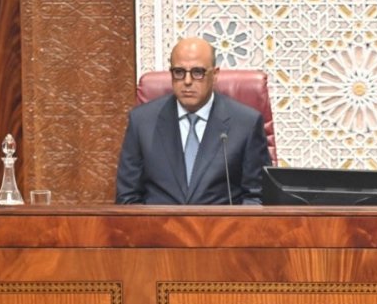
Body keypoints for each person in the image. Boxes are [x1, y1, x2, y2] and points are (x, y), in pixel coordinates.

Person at [115, 37, 271, 205]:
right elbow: (128, 198)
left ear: (215, 74)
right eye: (179, 72)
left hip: (221, 229)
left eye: (198, 72)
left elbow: (257, 197)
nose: (187, 81)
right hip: (158, 229)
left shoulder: (246, 124)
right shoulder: (142, 122)